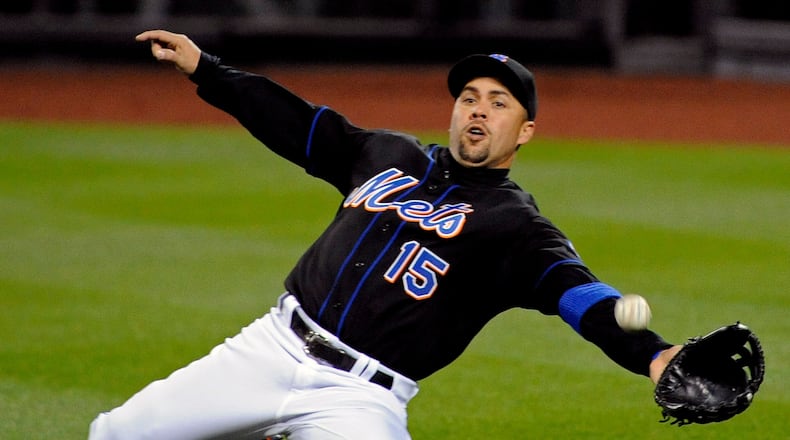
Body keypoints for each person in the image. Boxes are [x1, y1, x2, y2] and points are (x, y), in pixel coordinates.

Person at [89, 29, 682, 439]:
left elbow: (577, 294)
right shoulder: (386, 153)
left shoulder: (516, 226)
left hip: (358, 398)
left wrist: (652, 354)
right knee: (114, 432)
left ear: (524, 131)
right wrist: (206, 70)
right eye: (469, 98)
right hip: (270, 348)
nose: (478, 110)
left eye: (498, 104)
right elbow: (295, 123)